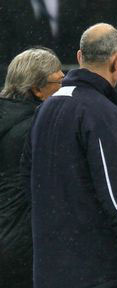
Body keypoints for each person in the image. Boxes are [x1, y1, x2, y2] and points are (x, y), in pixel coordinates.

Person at [24, 23, 117, 288]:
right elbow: (116, 190)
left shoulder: (45, 109)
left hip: (48, 266)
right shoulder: (102, 113)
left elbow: (27, 180)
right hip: (95, 268)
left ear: (79, 57)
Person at [0, 47, 63, 288]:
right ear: (36, 89)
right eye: (58, 80)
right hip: (24, 247)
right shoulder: (37, 128)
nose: (63, 86)